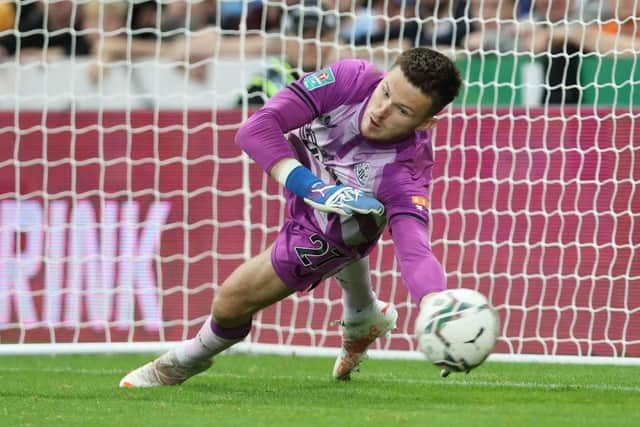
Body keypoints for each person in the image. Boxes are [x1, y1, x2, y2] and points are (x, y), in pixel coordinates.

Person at [119, 46, 462, 387]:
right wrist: (314, 188)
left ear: (426, 122)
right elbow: (256, 128)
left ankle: (182, 362)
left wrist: (434, 305)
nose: (381, 110)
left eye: (402, 110)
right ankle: (362, 315)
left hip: (329, 231)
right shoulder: (350, 78)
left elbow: (415, 249)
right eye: (385, 91)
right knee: (339, 203)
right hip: (309, 177)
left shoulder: (403, 173)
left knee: (229, 303)